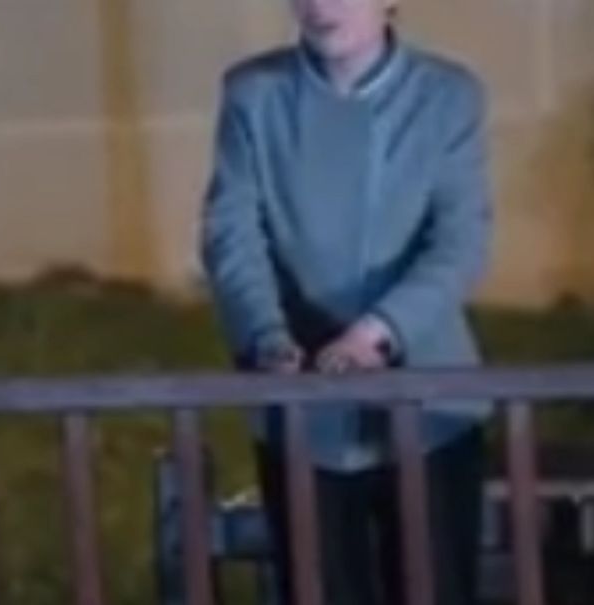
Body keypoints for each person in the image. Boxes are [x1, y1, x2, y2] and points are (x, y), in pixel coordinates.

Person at [199, 0, 493, 603]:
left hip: (429, 403)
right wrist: (266, 335)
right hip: (302, 400)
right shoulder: (254, 95)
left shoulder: (446, 96)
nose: (320, 5)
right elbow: (232, 235)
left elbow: (460, 242)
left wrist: (378, 333)